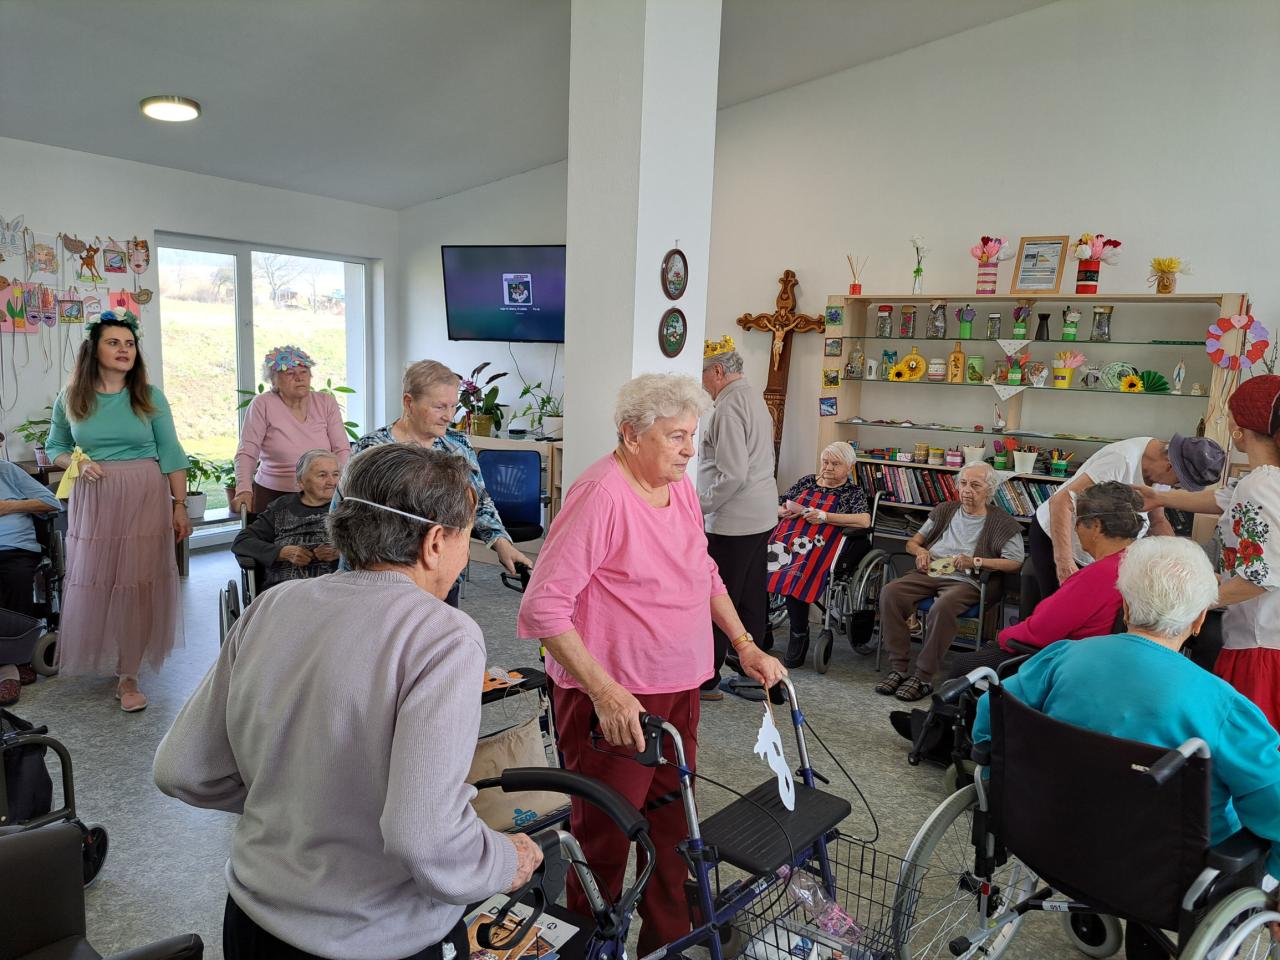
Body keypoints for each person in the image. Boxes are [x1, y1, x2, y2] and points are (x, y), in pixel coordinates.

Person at [154, 444, 543, 960]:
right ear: (434, 542)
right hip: (372, 935)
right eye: (465, 537)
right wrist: (504, 860)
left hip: (251, 917)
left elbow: (181, 769)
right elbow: (424, 837)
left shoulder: (273, 604)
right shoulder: (442, 634)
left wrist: (295, 801)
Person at [516, 373, 786, 956]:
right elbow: (543, 607)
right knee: (606, 842)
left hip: (677, 688)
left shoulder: (678, 487)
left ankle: (666, 945)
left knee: (673, 832)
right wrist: (605, 692)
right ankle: (592, 948)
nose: (690, 450)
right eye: (676, 436)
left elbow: (702, 571)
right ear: (631, 435)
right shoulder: (601, 495)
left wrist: (744, 644)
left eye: (693, 435)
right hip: (613, 701)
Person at [972, 537, 1280, 899]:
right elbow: (1271, 800)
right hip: (1168, 878)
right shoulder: (1224, 707)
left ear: (1127, 608)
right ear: (1199, 620)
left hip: (1046, 837)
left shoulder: (1062, 658)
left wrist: (996, 778)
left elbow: (992, 714)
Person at [46, 310, 191, 713]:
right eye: (114, 343)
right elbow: (55, 446)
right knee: (97, 580)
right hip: (94, 498)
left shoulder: (149, 395)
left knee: (136, 582)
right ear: (94, 349)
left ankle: (128, 674)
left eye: (129, 344)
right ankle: (105, 657)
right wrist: (76, 463)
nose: (124, 350)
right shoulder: (71, 397)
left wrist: (180, 506)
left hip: (144, 493)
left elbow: (171, 452)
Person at [1138, 375, 1280, 731]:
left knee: (1248, 743)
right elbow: (1221, 499)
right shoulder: (1265, 481)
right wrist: (1158, 496)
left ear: (1239, 429)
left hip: (1260, 645)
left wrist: (1194, 602)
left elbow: (1260, 578)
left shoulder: (1259, 485)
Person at [352, 360, 530, 605]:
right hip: (386, 582)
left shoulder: (458, 445)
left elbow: (479, 501)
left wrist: (501, 542)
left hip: (444, 578)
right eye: (439, 407)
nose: (449, 416)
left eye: (453, 406)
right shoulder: (372, 449)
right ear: (408, 402)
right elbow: (351, 517)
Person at [946, 481, 1143, 678]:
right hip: (1106, 660)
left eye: (1078, 520)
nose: (1075, 529)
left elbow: (1039, 632)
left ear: (1097, 526)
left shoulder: (1095, 577)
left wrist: (1003, 637)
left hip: (1068, 663)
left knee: (962, 665)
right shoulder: (1141, 562)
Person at [875, 461, 1023, 702]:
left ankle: (923, 677)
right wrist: (921, 552)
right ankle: (899, 668)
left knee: (942, 607)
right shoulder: (944, 510)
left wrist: (976, 561)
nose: (967, 490)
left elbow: (1015, 562)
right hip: (930, 572)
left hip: (967, 580)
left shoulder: (1002, 522)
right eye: (963, 483)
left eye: (975, 485)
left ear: (989, 489)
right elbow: (912, 543)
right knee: (890, 593)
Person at [1030, 434, 1224, 601]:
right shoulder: (1121, 460)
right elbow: (1060, 502)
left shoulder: (1161, 470)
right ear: (1170, 466)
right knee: (1061, 613)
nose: (1175, 487)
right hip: (1057, 539)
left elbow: (1157, 522)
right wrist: (1064, 563)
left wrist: (1184, 563)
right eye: (1178, 482)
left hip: (1099, 550)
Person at [698, 336, 778, 699]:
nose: (702, 383)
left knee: (717, 597)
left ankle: (707, 679)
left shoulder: (728, 408)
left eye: (703, 374)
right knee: (750, 596)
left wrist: (699, 506)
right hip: (760, 514)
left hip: (733, 520)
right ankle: (752, 674)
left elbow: (732, 474)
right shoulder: (753, 397)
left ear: (717, 371)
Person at [766, 441, 870, 668]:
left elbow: (864, 520)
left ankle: (799, 635)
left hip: (820, 547)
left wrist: (825, 516)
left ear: (849, 467)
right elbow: (778, 504)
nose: (828, 467)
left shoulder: (852, 492)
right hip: (786, 540)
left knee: (795, 576)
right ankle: (763, 629)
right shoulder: (807, 481)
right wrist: (783, 511)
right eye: (825, 462)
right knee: (759, 573)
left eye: (835, 463)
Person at [231, 345, 351, 514]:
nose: (299, 378)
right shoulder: (262, 404)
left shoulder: (325, 402)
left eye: (304, 372)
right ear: (273, 381)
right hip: (273, 493)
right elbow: (247, 452)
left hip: (321, 493)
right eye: (290, 373)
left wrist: (341, 484)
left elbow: (342, 449)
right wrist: (243, 490)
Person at [232, 450, 341, 590]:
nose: (332, 482)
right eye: (322, 475)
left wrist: (340, 552)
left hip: (336, 587)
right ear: (301, 482)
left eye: (335, 474)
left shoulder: (347, 507)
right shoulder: (281, 507)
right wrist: (281, 552)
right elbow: (242, 541)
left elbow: (368, 545)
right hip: (286, 588)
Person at [0, 460, 61, 706]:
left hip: (14, 548)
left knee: (15, 578)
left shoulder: (7, 471)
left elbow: (52, 502)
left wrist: (9, 506)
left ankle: (14, 661)